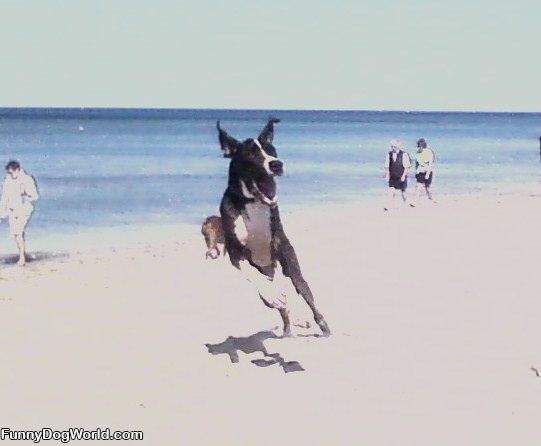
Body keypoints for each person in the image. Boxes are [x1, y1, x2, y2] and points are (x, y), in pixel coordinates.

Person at [0, 160, 39, 266]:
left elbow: (35, 196)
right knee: (15, 234)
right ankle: (23, 253)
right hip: (12, 210)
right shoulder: (8, 181)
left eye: (11, 172)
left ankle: (22, 258)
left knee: (18, 232)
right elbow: (4, 197)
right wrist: (2, 212)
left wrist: (24, 194)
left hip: (24, 209)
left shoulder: (26, 179)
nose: (10, 174)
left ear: (17, 170)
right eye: (8, 173)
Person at [383, 139, 411, 211]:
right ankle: (388, 206)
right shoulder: (389, 155)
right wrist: (386, 175)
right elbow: (387, 166)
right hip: (392, 177)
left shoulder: (404, 155)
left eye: (394, 146)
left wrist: (404, 176)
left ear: (398, 146)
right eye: (392, 146)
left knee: (403, 192)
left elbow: (406, 167)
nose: (393, 148)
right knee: (391, 191)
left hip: (401, 176)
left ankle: (407, 204)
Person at [410, 138, 435, 207]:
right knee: (418, 187)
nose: (418, 147)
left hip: (427, 172)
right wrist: (416, 171)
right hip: (420, 172)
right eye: (418, 146)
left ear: (423, 146)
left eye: (419, 146)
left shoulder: (429, 152)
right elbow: (417, 163)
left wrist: (428, 174)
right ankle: (415, 202)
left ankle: (431, 199)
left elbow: (430, 164)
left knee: (427, 188)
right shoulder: (418, 152)